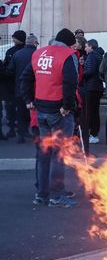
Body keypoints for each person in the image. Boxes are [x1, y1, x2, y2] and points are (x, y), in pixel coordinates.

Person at [20, 28, 79, 208]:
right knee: (58, 155)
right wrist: (67, 106)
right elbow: (71, 82)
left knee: (44, 154)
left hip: (41, 111)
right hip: (58, 112)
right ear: (69, 43)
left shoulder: (39, 53)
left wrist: (28, 100)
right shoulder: (68, 55)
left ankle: (41, 194)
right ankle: (56, 195)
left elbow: (26, 78)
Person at [8, 34, 38, 143]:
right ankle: (35, 135)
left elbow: (10, 71)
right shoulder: (37, 54)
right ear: (35, 43)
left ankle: (21, 134)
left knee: (20, 113)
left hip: (19, 88)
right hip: (34, 89)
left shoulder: (17, 54)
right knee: (34, 112)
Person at [2, 30, 26, 139]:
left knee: (21, 109)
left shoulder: (24, 51)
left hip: (19, 85)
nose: (13, 39)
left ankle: (21, 130)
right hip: (12, 85)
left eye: (14, 37)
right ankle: (13, 129)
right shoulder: (10, 51)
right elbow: (7, 68)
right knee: (11, 108)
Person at [83, 39, 104, 144]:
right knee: (95, 111)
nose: (85, 48)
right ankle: (94, 133)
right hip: (98, 87)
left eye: (86, 46)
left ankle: (93, 134)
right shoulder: (99, 55)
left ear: (91, 46)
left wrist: (82, 74)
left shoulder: (91, 56)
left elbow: (90, 71)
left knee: (91, 112)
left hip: (91, 87)